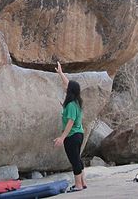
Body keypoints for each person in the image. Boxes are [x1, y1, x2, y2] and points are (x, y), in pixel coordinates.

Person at [54, 61, 87, 192]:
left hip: (72, 136)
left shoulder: (72, 105)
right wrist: (61, 73)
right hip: (79, 134)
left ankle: (78, 185)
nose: (65, 87)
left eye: (67, 87)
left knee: (74, 161)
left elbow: (70, 122)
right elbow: (68, 84)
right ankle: (83, 183)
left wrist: (62, 138)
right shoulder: (76, 101)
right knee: (77, 159)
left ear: (70, 91)